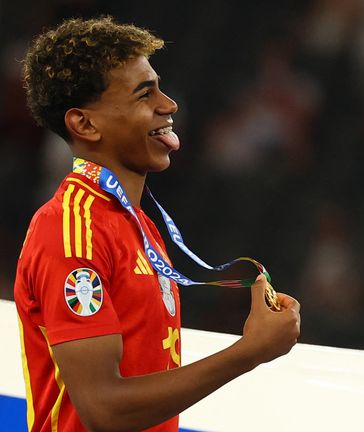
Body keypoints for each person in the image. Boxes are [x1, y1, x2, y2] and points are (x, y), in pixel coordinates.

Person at [14, 16, 301, 432]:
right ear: (85, 124)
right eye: (144, 94)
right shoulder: (68, 231)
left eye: (160, 87)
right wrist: (249, 352)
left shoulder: (138, 225)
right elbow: (104, 410)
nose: (168, 105)